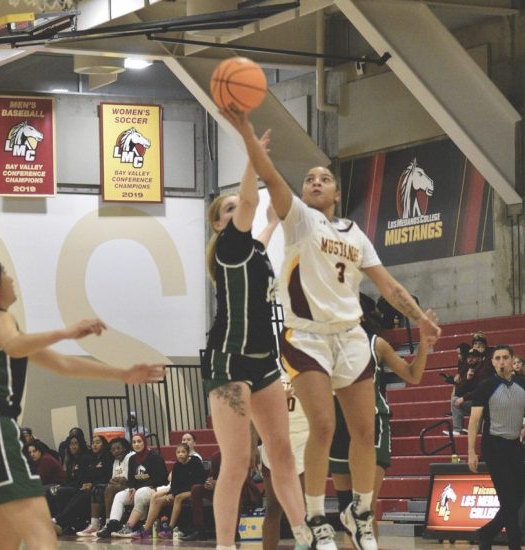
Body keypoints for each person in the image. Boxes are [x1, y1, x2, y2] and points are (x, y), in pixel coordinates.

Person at [221, 107, 441, 550]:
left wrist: (421, 320)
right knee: (322, 426)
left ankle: (358, 512)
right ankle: (318, 517)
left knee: (363, 431)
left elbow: (387, 284)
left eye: (324, 179)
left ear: (337, 193)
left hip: (350, 336)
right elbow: (271, 176)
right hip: (306, 336)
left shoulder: (357, 234)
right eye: (310, 179)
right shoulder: (299, 217)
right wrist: (245, 132)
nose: (315, 182)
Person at [0, 254, 165, 550]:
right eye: (4, 273)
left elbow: (64, 365)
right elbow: (14, 344)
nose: (11, 278)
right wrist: (67, 331)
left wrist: (122, 373)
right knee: (43, 536)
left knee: (5, 541)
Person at [202, 132, 316, 550]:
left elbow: (262, 230)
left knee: (281, 452)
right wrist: (253, 155)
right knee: (236, 462)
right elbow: (249, 204)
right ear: (220, 223)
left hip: (265, 360)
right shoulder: (230, 244)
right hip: (229, 360)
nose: (239, 211)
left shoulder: (253, 248)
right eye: (228, 209)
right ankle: (225, 545)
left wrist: (271, 223)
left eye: (238, 207)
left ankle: (305, 535)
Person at [330, 311, 436, 537]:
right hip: (338, 426)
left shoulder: (375, 344)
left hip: (372, 423)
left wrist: (424, 344)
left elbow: (413, 375)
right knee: (347, 511)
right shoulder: (322, 347)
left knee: (364, 510)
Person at [468, 344, 525, 550]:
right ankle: (511, 543)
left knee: (516, 500)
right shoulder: (485, 386)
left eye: (505, 358)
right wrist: (471, 451)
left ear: (512, 361)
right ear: (492, 362)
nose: (501, 361)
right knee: (509, 500)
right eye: (497, 358)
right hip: (493, 446)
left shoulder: (523, 385)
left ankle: (487, 533)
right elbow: (474, 421)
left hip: (514, 446)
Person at [260, 373, 310, 550]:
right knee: (273, 508)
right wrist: (251, 444)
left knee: (303, 508)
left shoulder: (310, 370)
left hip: (303, 444)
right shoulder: (269, 370)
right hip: (273, 444)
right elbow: (255, 406)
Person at [132, 443, 206, 539]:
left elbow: (199, 481)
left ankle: (170, 529)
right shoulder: (177, 466)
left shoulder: (195, 462)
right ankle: (146, 529)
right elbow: (174, 484)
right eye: (178, 452)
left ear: (188, 453)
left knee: (178, 497)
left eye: (183, 452)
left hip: (195, 490)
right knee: (158, 500)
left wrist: (175, 494)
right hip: (180, 491)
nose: (180, 454)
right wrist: (171, 494)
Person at [102, 433, 168, 538]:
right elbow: (131, 479)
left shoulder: (155, 456)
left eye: (139, 441)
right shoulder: (132, 459)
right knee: (119, 496)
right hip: (137, 489)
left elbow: (159, 479)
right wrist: (133, 487)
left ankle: (132, 526)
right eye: (134, 442)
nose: (136, 444)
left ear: (144, 443)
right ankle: (113, 524)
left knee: (140, 494)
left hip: (153, 489)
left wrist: (137, 488)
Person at [447, 348, 493, 436]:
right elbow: (458, 392)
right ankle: (458, 429)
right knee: (454, 399)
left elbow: (480, 390)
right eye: (468, 357)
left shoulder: (484, 371)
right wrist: (467, 379)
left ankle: (477, 430)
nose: (470, 359)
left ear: (479, 358)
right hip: (473, 402)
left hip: (484, 403)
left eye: (473, 357)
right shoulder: (468, 370)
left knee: (477, 402)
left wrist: (464, 398)